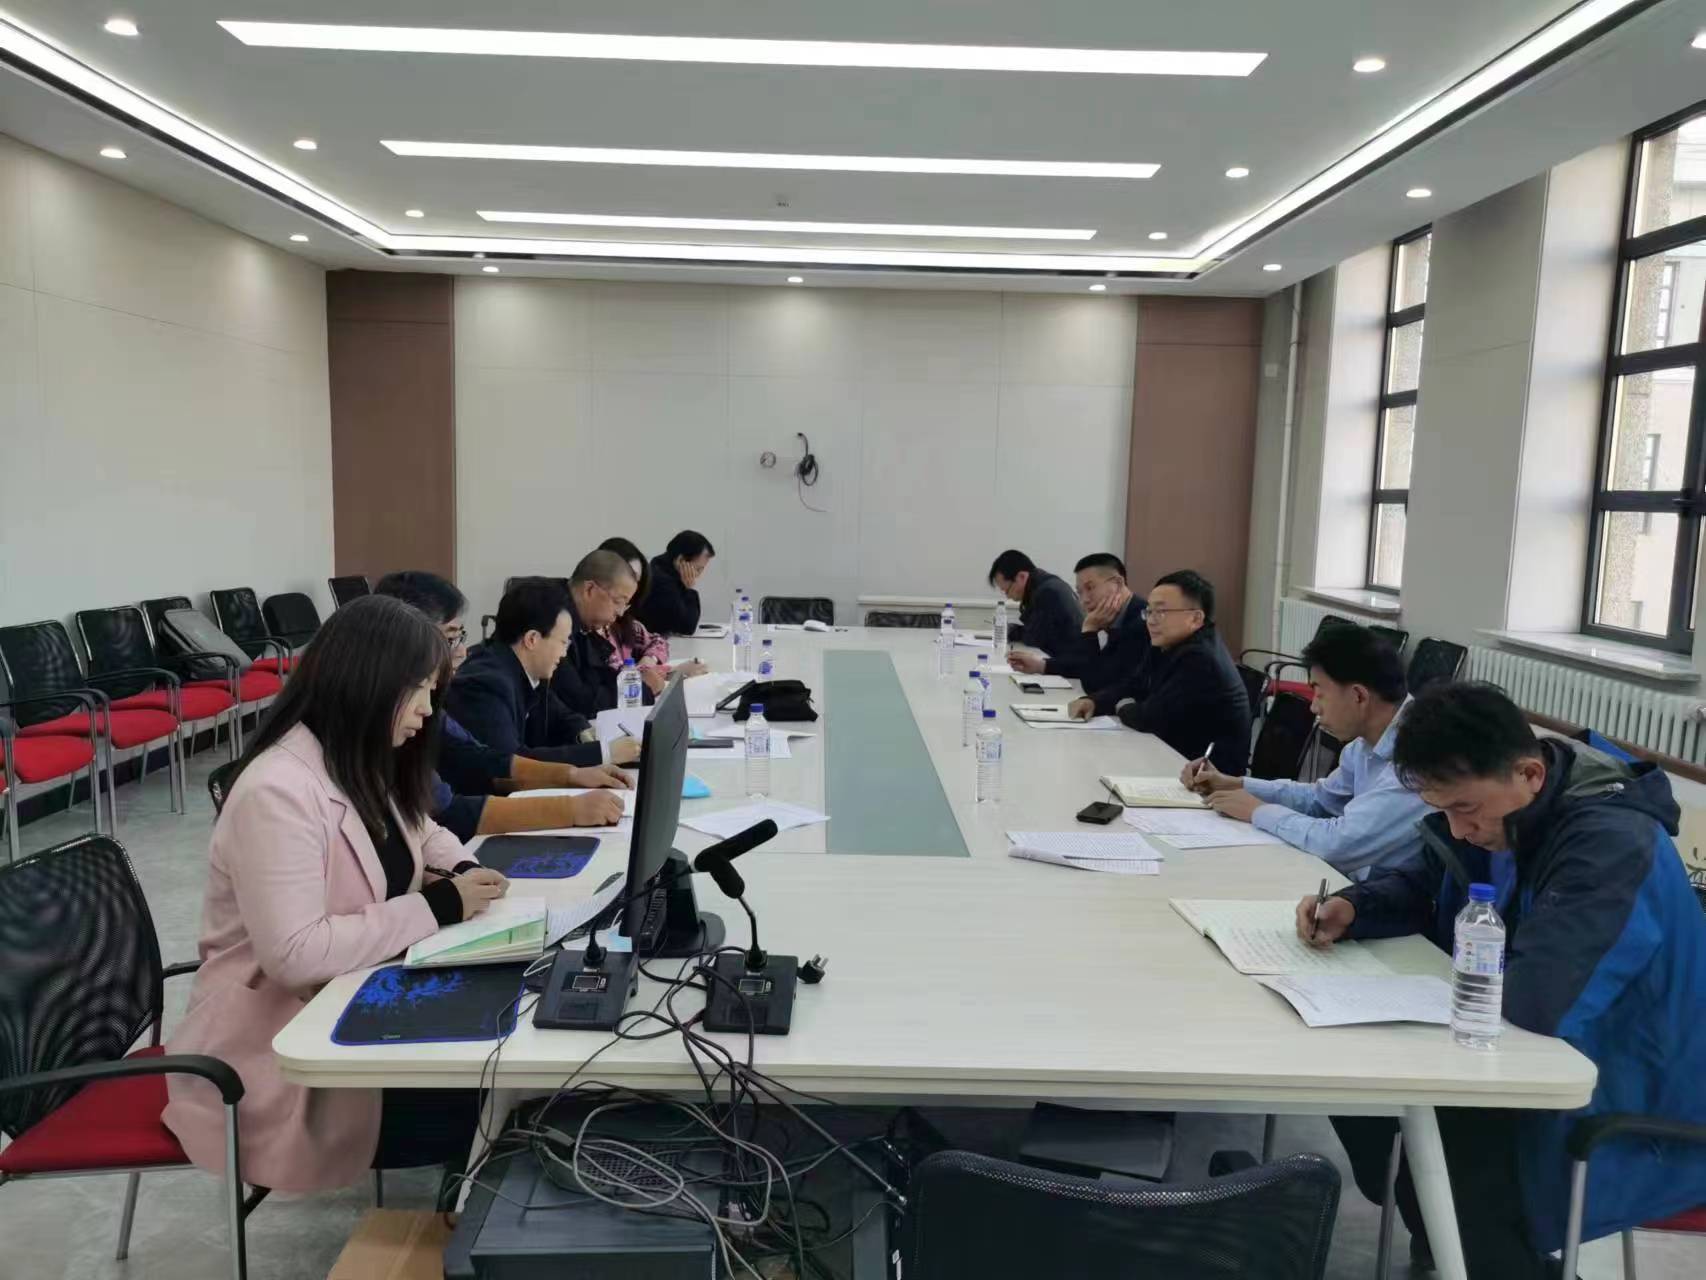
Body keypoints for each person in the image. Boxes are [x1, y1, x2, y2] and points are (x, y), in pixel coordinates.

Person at [1298, 683, 1706, 1279]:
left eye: (1465, 809)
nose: (1459, 828)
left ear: (1531, 774)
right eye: (1441, 810)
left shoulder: (1611, 844)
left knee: (1449, 1134)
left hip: (1632, 1087)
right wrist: (1355, 907)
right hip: (1554, 1054)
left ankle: (1485, 1253)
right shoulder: (1503, 809)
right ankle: (1450, 1240)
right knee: (1357, 1088)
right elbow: (1427, 878)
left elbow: (1541, 1003)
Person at [162, 595, 510, 1192]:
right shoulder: (276, 792)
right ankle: (458, 1232)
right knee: (495, 1094)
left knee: (500, 1057)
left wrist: (461, 866)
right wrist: (437, 906)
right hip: (274, 1049)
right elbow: (295, 954)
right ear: (369, 683)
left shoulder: (354, 757)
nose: (428, 709)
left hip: (354, 999)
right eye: (420, 690)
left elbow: (421, 829)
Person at [375, 571, 628, 840]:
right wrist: (571, 809)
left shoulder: (434, 706)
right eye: (450, 639)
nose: (462, 651)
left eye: (461, 636)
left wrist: (571, 775)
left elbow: (481, 756)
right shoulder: (482, 683)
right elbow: (449, 810)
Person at [1182, 623, 1426, 877]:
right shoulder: (1364, 744)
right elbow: (1320, 801)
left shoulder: (1418, 756)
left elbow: (1338, 844)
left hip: (1386, 895)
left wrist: (1258, 811)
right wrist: (1235, 784)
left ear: (1359, 696)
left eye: (1320, 694)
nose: (1313, 708)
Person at [1068, 570, 1250, 774]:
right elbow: (1134, 684)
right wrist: (1094, 701)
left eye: (1161, 612)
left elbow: (1149, 717)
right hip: (1175, 756)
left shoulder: (1200, 658)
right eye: (1149, 611)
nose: (1151, 621)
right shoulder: (1168, 643)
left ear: (1195, 618)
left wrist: (1122, 705)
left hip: (1208, 777)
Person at [447, 577, 639, 771]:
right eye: (563, 642)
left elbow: (562, 716)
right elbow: (511, 764)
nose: (564, 654)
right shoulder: (485, 684)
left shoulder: (527, 671)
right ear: (532, 639)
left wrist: (583, 732)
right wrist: (604, 752)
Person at [1010, 553, 1149, 698]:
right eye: (1080, 592)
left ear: (1118, 584)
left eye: (1090, 588)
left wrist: (1090, 631)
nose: (1084, 601)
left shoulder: (1142, 623)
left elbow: (1095, 683)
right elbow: (1090, 666)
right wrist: (1041, 665)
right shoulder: (1115, 618)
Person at [596, 537, 708, 698]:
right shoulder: (594, 627)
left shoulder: (622, 620)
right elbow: (621, 682)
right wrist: (670, 672)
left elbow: (658, 641)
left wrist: (650, 658)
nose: (633, 587)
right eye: (628, 578)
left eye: (637, 580)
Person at [549, 549, 639, 717]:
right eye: (618, 601)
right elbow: (581, 701)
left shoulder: (581, 623)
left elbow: (596, 677)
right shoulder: (553, 619)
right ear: (589, 589)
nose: (620, 613)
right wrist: (638, 691)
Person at [988, 549, 1084, 661]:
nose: (1007, 597)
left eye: (1007, 590)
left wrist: (1011, 630)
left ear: (1021, 577)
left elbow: (1034, 637)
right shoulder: (1046, 584)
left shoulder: (1047, 592)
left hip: (1072, 664)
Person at [633, 529, 714, 636]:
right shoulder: (663, 582)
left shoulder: (659, 568)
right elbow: (687, 627)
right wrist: (689, 589)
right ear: (681, 560)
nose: (699, 574)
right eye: (698, 569)